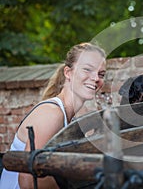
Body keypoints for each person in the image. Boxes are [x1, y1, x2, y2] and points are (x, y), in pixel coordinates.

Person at [0, 42, 106, 189]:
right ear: (68, 73)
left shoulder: (69, 117)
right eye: (88, 70)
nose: (96, 78)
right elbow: (28, 181)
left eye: (101, 74)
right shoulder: (51, 114)